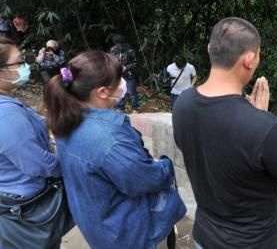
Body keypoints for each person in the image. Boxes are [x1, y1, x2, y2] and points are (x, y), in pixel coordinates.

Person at [172, 17, 277, 249]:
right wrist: (261, 117)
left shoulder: (182, 104)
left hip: (205, 238)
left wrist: (257, 119)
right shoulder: (264, 127)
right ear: (249, 59)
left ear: (209, 50)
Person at [43, 51, 186, 249]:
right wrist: (165, 165)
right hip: (126, 234)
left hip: (98, 225)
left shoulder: (65, 120)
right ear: (102, 92)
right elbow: (143, 180)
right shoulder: (109, 139)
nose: (123, 85)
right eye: (119, 80)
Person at [0, 37, 74, 249]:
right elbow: (38, 164)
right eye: (19, 62)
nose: (25, 66)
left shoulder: (8, 101)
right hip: (25, 211)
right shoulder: (6, 116)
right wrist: (70, 162)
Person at [109, 34, 139, 113]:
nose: (119, 45)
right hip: (118, 75)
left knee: (132, 92)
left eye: (120, 44)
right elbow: (110, 61)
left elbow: (135, 63)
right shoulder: (113, 50)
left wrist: (126, 67)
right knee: (119, 91)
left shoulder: (130, 50)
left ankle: (135, 108)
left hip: (129, 75)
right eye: (117, 44)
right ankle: (120, 108)